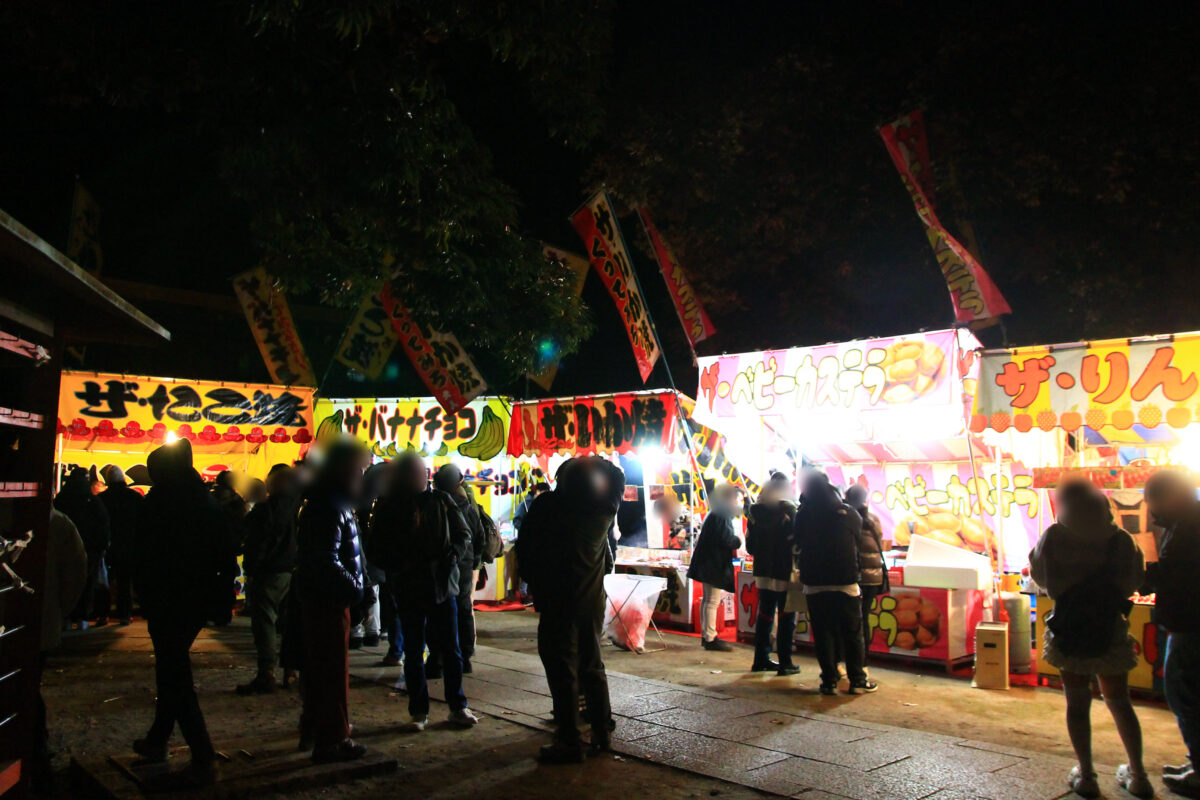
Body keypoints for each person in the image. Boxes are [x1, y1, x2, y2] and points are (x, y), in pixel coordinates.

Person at [1028, 480, 1151, 798]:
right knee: (1119, 702)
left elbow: (1040, 578)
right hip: (1109, 629)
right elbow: (1134, 581)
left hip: (1068, 630)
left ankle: (1086, 775)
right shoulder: (1121, 540)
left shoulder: (1055, 536)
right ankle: (1138, 775)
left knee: (1077, 702)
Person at [132, 439, 239, 786]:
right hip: (194, 599)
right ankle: (158, 739)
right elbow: (225, 554)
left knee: (174, 672)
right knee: (171, 667)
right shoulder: (202, 501)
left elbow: (145, 550)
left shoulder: (164, 502)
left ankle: (202, 753)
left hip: (169, 598)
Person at [519, 456, 624, 763]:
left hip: (556, 601)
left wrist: (536, 582)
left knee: (562, 669)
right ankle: (602, 731)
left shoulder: (546, 508)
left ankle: (570, 739)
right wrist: (597, 462)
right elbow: (616, 477)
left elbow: (525, 553)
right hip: (590, 602)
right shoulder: (601, 510)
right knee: (592, 664)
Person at [371, 452, 479, 731]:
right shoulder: (388, 507)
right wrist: (398, 566)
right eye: (416, 472)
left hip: (443, 586)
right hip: (408, 587)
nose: (422, 476)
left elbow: (463, 534)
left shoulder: (440, 500)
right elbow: (375, 547)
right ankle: (419, 711)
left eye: (423, 471)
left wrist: (452, 556)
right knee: (413, 649)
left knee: (451, 650)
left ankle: (458, 706)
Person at [293, 440, 370, 762]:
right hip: (328, 600)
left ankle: (316, 728)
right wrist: (355, 588)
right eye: (359, 469)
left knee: (320, 669)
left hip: (323, 597)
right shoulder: (329, 506)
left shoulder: (329, 502)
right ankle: (334, 739)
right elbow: (326, 559)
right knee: (332, 670)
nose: (362, 476)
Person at [1145, 469, 1200, 797]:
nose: (1152, 509)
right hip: (1188, 621)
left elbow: (1173, 574)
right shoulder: (1185, 522)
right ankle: (1195, 761)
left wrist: (1138, 576)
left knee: (1185, 697)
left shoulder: (1188, 528)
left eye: (1155, 500)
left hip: (1190, 624)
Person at [794, 471, 875, 695]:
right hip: (845, 579)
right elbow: (857, 537)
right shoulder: (847, 512)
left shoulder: (803, 513)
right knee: (852, 632)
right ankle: (857, 680)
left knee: (822, 632)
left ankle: (828, 680)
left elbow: (798, 540)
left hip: (815, 581)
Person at [32, 509, 88, 791]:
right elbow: (76, 573)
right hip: (40, 624)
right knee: (28, 689)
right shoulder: (59, 523)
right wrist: (59, 611)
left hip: (36, 622)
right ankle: (37, 757)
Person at [237, 464, 301, 695]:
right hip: (293, 571)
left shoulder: (267, 510)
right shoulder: (300, 506)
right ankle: (291, 671)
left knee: (265, 624)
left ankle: (267, 672)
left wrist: (252, 569)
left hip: (270, 572)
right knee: (288, 623)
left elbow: (257, 542)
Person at [426, 464, 489, 675]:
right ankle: (465, 657)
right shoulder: (469, 507)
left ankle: (437, 658)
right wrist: (473, 561)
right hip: (463, 567)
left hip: (441, 566)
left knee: (437, 613)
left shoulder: (434, 505)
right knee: (463, 611)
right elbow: (480, 537)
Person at [746, 475, 800, 675]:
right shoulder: (789, 512)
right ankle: (785, 662)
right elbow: (796, 542)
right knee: (786, 618)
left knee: (765, 615)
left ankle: (760, 659)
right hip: (783, 570)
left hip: (762, 572)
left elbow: (750, 547)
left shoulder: (755, 514)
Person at [687, 484, 742, 652]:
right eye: (739, 498)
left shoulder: (716, 512)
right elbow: (726, 539)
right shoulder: (722, 514)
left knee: (708, 600)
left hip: (707, 562)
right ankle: (710, 637)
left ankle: (707, 635)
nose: (740, 502)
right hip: (713, 563)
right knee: (712, 601)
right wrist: (738, 540)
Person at [54, 466, 110, 629]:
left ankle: (65, 617)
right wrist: (101, 547)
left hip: (64, 549)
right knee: (85, 583)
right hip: (89, 549)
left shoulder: (61, 499)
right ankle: (82, 617)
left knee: (64, 582)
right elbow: (103, 525)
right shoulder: (92, 501)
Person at [844, 484, 888, 666]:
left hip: (857, 576)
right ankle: (863, 661)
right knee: (864, 619)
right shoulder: (874, 519)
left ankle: (854, 662)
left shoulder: (849, 518)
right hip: (874, 576)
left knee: (853, 622)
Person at [98, 466, 143, 626]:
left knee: (105, 581)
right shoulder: (135, 497)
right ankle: (125, 614)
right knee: (125, 582)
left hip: (108, 545)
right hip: (128, 546)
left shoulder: (102, 498)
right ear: (123, 479)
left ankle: (102, 615)